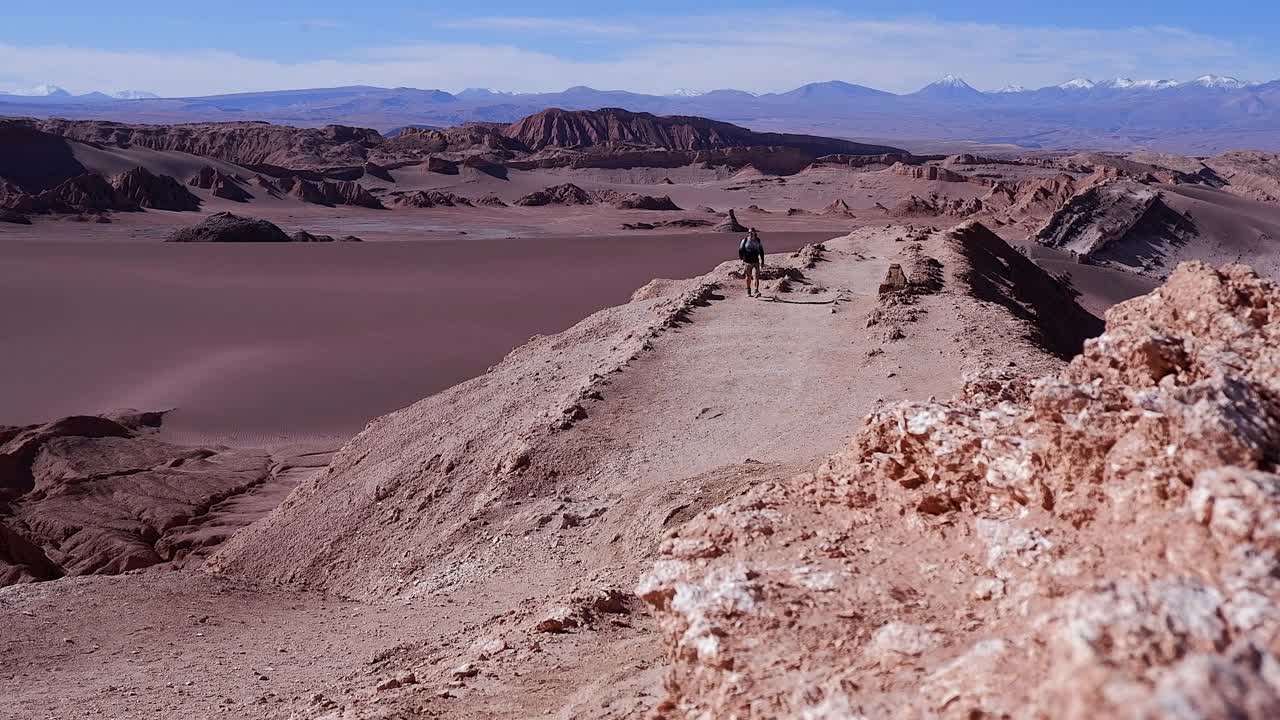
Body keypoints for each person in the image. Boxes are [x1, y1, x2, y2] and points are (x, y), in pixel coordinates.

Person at [738, 227, 765, 297]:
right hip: (747, 262)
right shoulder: (745, 240)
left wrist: (762, 261)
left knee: (756, 277)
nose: (751, 234)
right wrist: (742, 260)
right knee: (748, 277)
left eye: (752, 232)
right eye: (749, 232)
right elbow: (740, 250)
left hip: (756, 262)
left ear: (755, 233)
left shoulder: (758, 240)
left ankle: (756, 291)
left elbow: (761, 251)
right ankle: (748, 291)